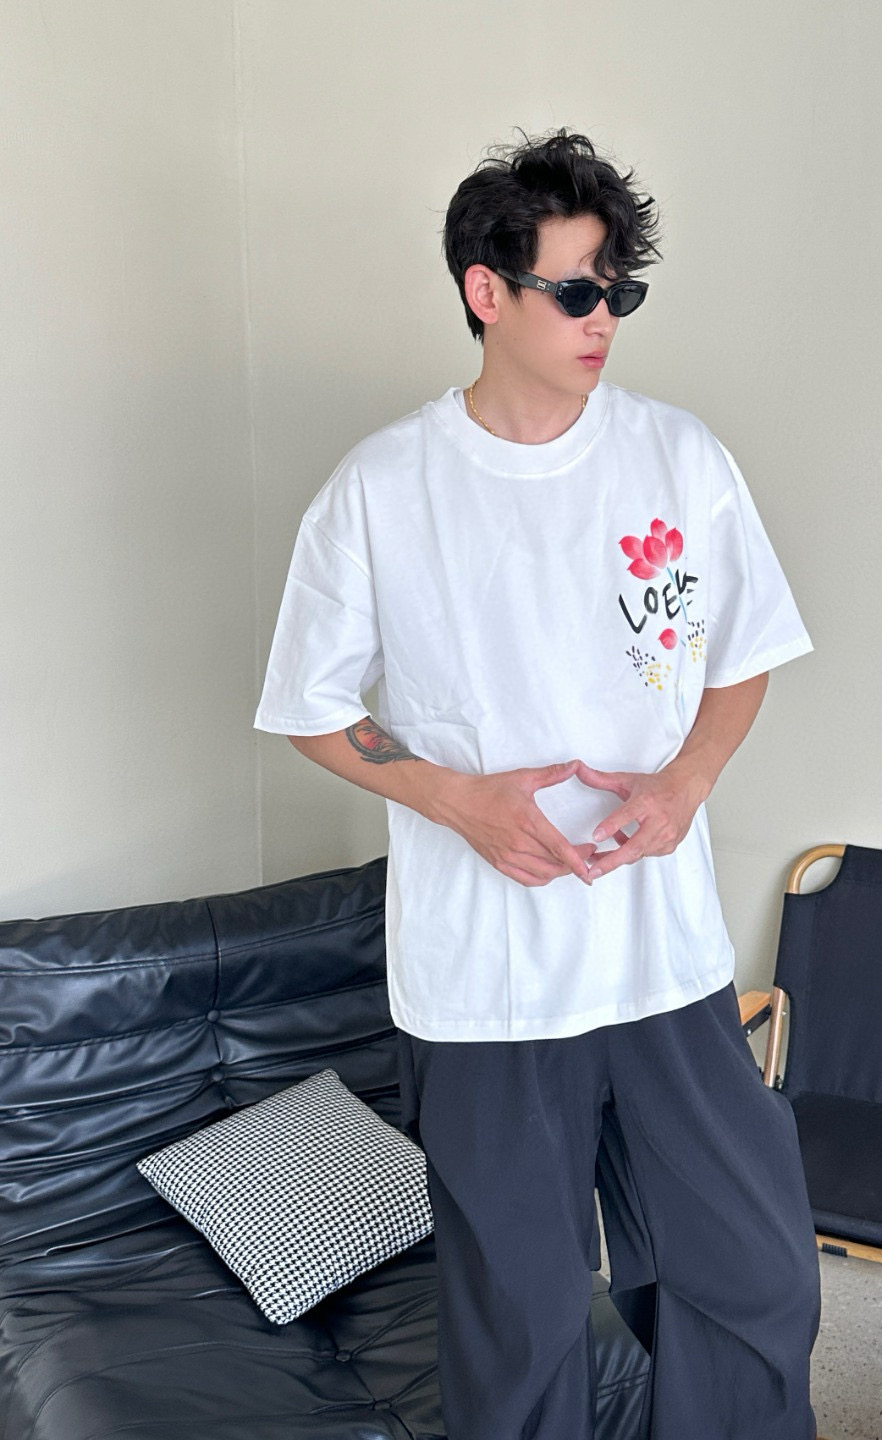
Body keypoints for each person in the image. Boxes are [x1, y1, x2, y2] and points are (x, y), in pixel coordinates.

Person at [255, 129, 820, 1439]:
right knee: (521, 1322)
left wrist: (686, 780)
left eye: (618, 290)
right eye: (573, 290)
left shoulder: (679, 457)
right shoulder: (382, 489)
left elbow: (742, 658)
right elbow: (311, 710)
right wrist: (459, 800)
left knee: (750, 1271)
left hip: (661, 955)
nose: (601, 318)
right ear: (485, 291)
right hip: (485, 982)